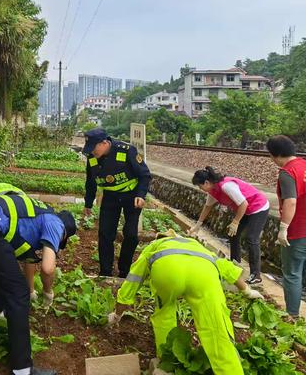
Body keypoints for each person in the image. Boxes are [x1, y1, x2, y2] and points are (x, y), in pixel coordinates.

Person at [0, 183, 77, 375]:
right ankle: (23, 369)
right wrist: (48, 292)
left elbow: (27, 261)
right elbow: (47, 267)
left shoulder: (39, 214)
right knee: (18, 293)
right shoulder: (56, 224)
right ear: (65, 234)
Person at [108, 231, 263, 375]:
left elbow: (133, 280)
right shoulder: (196, 246)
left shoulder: (154, 247)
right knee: (216, 326)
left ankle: (167, 359)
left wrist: (118, 313)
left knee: (164, 313)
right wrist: (247, 291)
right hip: (203, 274)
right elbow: (228, 270)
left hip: (168, 270)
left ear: (160, 238)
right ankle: (230, 370)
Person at [82, 128, 152, 278]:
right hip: (110, 197)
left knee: (131, 234)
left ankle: (124, 271)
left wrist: (141, 195)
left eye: (94, 148)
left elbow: (145, 175)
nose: (92, 152)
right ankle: (105, 271)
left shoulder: (126, 151)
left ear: (105, 143)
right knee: (105, 234)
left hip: (131, 197)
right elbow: (90, 182)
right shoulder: (92, 158)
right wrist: (88, 203)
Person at [189, 166, 269, 284]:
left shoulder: (226, 186)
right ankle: (235, 264)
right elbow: (207, 207)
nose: (200, 189)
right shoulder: (213, 190)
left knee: (251, 238)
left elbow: (243, 203)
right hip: (246, 209)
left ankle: (256, 274)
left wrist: (235, 222)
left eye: (200, 186)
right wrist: (197, 225)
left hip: (258, 207)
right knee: (233, 234)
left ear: (206, 182)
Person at [266, 135, 306, 318]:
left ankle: (292, 316)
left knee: (292, 274)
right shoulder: (304, 165)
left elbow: (290, 201)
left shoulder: (287, 172)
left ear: (275, 155)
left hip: (298, 230)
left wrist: (283, 228)